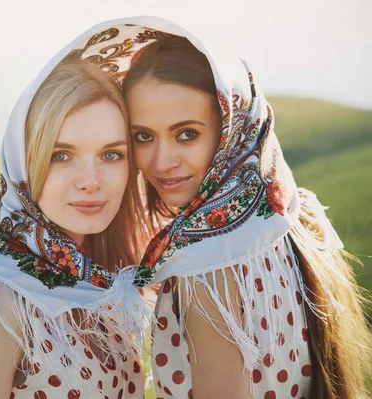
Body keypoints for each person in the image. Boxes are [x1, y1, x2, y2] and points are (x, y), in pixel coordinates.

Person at [119, 19, 372, 399]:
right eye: (143, 136)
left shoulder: (206, 265)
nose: (161, 161)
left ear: (233, 129)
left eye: (187, 133)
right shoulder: (291, 216)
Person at [0, 56, 150, 398]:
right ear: (24, 162)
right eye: (60, 155)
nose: (91, 182)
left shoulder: (103, 278)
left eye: (111, 155)